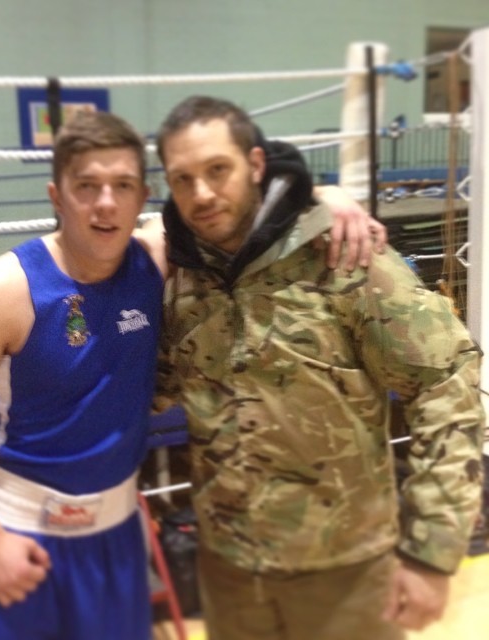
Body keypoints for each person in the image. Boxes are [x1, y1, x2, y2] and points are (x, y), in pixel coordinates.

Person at [0, 109, 384, 640]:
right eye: (86, 186)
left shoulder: (154, 259)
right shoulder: (1, 292)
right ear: (57, 196)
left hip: (117, 536)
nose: (106, 202)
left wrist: (325, 196)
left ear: (142, 198)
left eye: (122, 185)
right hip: (18, 535)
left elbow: (239, 206)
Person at [152, 95, 485, 640]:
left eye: (217, 170)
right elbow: (151, 389)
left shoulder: (341, 255)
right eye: (182, 179)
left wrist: (432, 552)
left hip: (346, 573)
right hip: (231, 574)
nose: (202, 193)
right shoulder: (181, 280)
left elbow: (444, 385)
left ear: (255, 165)